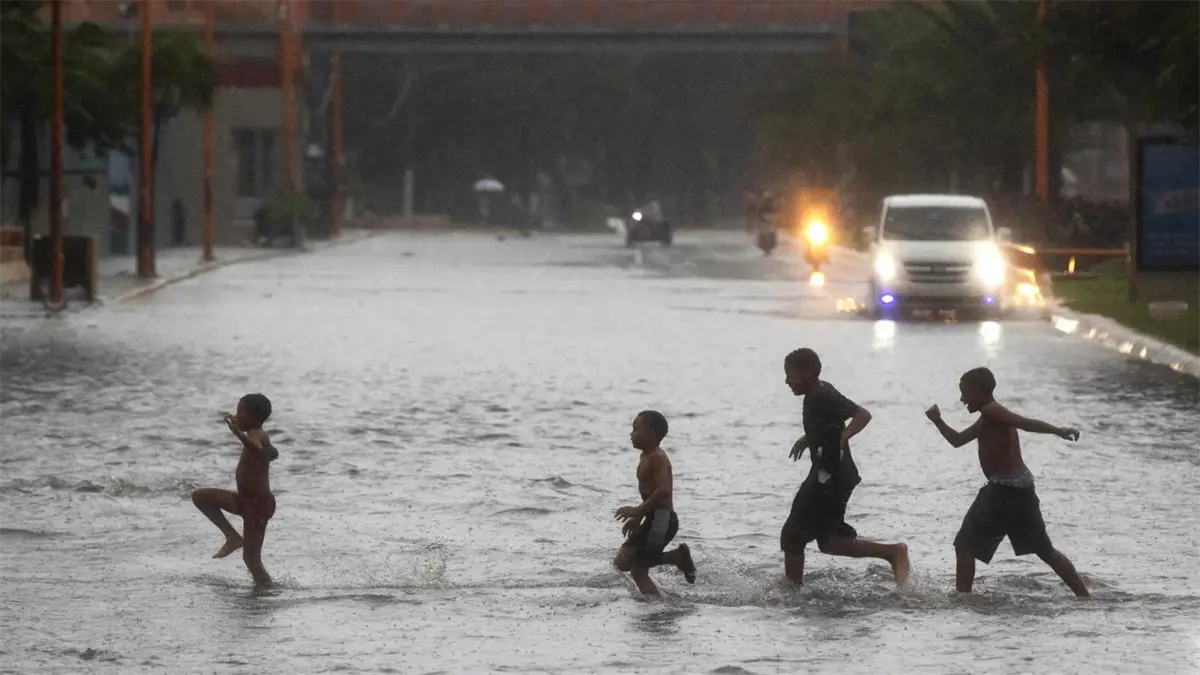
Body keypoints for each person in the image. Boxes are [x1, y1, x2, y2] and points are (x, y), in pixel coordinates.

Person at [925, 367, 1089, 596]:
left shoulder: (993, 411)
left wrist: (1058, 430)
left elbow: (1025, 422)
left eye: (965, 393)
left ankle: (963, 601)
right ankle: (1084, 596)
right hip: (1021, 490)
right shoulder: (987, 417)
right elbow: (958, 440)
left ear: (979, 390)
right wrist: (937, 421)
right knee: (1045, 550)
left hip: (1003, 491)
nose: (962, 399)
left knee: (964, 545)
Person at [781, 348, 910, 585]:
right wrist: (808, 438)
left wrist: (845, 435)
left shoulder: (822, 394)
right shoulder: (817, 392)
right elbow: (825, 425)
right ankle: (892, 552)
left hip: (831, 476)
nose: (787, 381)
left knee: (793, 535)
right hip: (833, 475)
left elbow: (863, 414)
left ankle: (791, 589)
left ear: (807, 373)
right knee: (829, 541)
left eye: (791, 375)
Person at [191, 393, 279, 587]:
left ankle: (266, 592)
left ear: (255, 419)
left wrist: (237, 433)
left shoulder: (257, 434)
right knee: (200, 497)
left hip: (258, 505)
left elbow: (257, 449)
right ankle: (232, 536)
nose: (237, 415)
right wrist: (271, 453)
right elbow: (270, 452)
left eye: (241, 412)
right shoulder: (257, 434)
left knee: (251, 560)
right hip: (244, 499)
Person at [613, 410, 697, 596]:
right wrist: (640, 517)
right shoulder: (645, 456)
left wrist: (637, 510)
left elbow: (664, 490)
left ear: (651, 433)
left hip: (662, 520)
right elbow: (651, 492)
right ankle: (675, 557)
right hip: (652, 517)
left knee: (638, 570)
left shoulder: (657, 458)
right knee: (622, 562)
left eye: (636, 429)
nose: (631, 434)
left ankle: (656, 611)